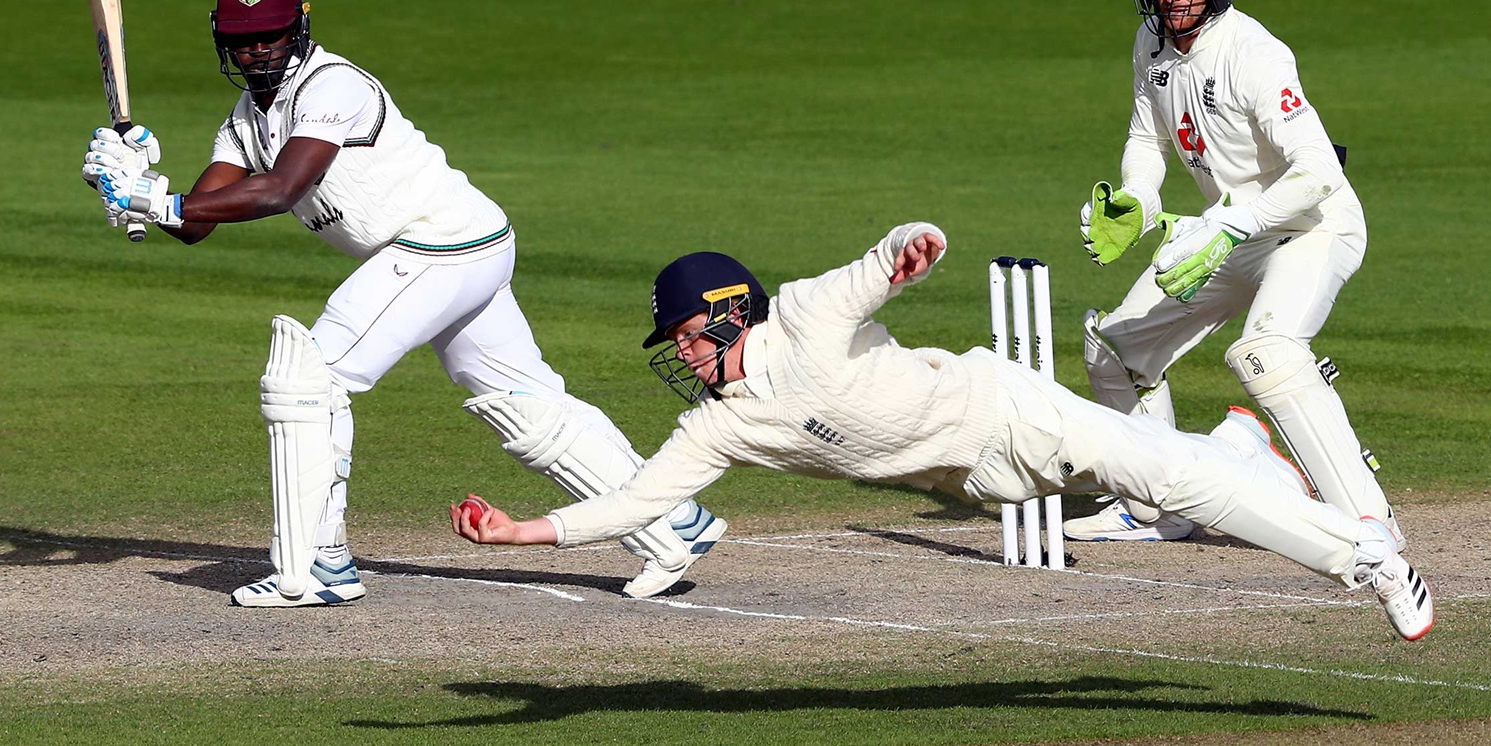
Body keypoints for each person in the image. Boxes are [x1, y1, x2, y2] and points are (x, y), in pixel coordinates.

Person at [81, 0, 726, 606]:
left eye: (271, 35)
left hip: (442, 241)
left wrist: (157, 201)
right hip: (460, 245)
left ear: (300, 27)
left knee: (313, 374)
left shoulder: (333, 86)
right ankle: (671, 521)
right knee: (523, 403)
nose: (256, 51)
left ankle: (317, 565)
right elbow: (198, 221)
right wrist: (140, 189)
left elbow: (283, 188)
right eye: (243, 39)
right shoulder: (246, 120)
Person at [449, 223, 1433, 641]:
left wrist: (911, 247)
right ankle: (1241, 446)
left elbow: (879, 261)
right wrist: (520, 532)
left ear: (720, 315)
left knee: (1167, 482)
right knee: (1178, 473)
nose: (676, 352)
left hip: (1004, 405)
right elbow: (637, 502)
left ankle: (1370, 562)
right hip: (983, 483)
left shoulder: (802, 314)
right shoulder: (720, 426)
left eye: (679, 333)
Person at [1069, 0, 1399, 547]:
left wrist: (1233, 223)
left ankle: (1369, 522)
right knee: (1114, 348)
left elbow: (1319, 172)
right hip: (1229, 231)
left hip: (1312, 228)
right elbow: (1146, 137)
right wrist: (1137, 199)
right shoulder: (1152, 43)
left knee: (1265, 354)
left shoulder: (1254, 53)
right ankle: (1159, 503)